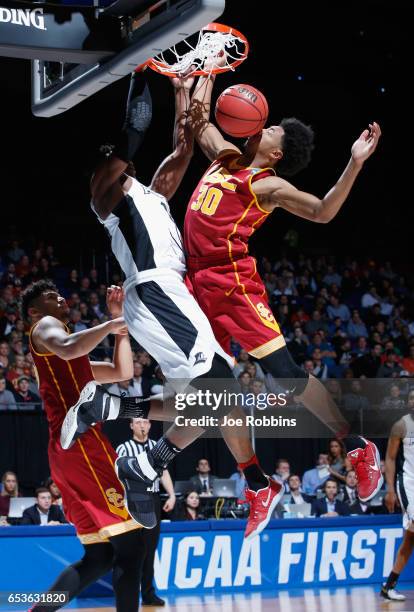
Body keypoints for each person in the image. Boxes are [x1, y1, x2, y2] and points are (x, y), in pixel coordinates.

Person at [63, 70, 284, 539]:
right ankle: (140, 453)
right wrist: (140, 70)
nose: (118, 165)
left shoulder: (154, 194)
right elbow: (134, 129)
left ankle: (116, 417)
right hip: (157, 291)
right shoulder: (105, 198)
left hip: (171, 296)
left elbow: (185, 144)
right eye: (111, 162)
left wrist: (191, 83)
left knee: (212, 406)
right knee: (222, 387)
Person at [185, 61, 383, 502]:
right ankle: (256, 483)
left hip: (231, 281)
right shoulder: (226, 156)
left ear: (276, 153)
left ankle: (357, 447)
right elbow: (199, 123)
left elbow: (322, 211)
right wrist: (208, 70)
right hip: (196, 282)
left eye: (273, 129)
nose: (268, 126)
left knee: (286, 374)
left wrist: (354, 163)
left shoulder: (266, 184)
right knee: (213, 384)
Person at [21, 282, 144, 612]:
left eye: (60, 294)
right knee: (132, 546)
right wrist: (111, 323)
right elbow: (68, 346)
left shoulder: (72, 358)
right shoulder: (46, 327)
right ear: (34, 312)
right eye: (50, 298)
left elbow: (122, 372)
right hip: (82, 444)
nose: (61, 298)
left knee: (100, 555)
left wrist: (120, 329)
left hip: (66, 452)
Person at [116, 418, 175, 607]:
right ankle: (126, 594)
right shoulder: (124, 448)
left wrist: (172, 495)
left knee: (150, 549)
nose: (142, 425)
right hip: (131, 501)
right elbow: (117, 474)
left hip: (153, 498)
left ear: (150, 425)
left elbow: (164, 472)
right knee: (130, 550)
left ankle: (149, 594)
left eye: (146, 422)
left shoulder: (156, 446)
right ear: (131, 426)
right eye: (138, 422)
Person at [380, 409, 414, 601]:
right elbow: (391, 458)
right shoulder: (401, 425)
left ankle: (389, 585)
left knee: (410, 540)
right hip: (409, 484)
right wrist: (390, 490)